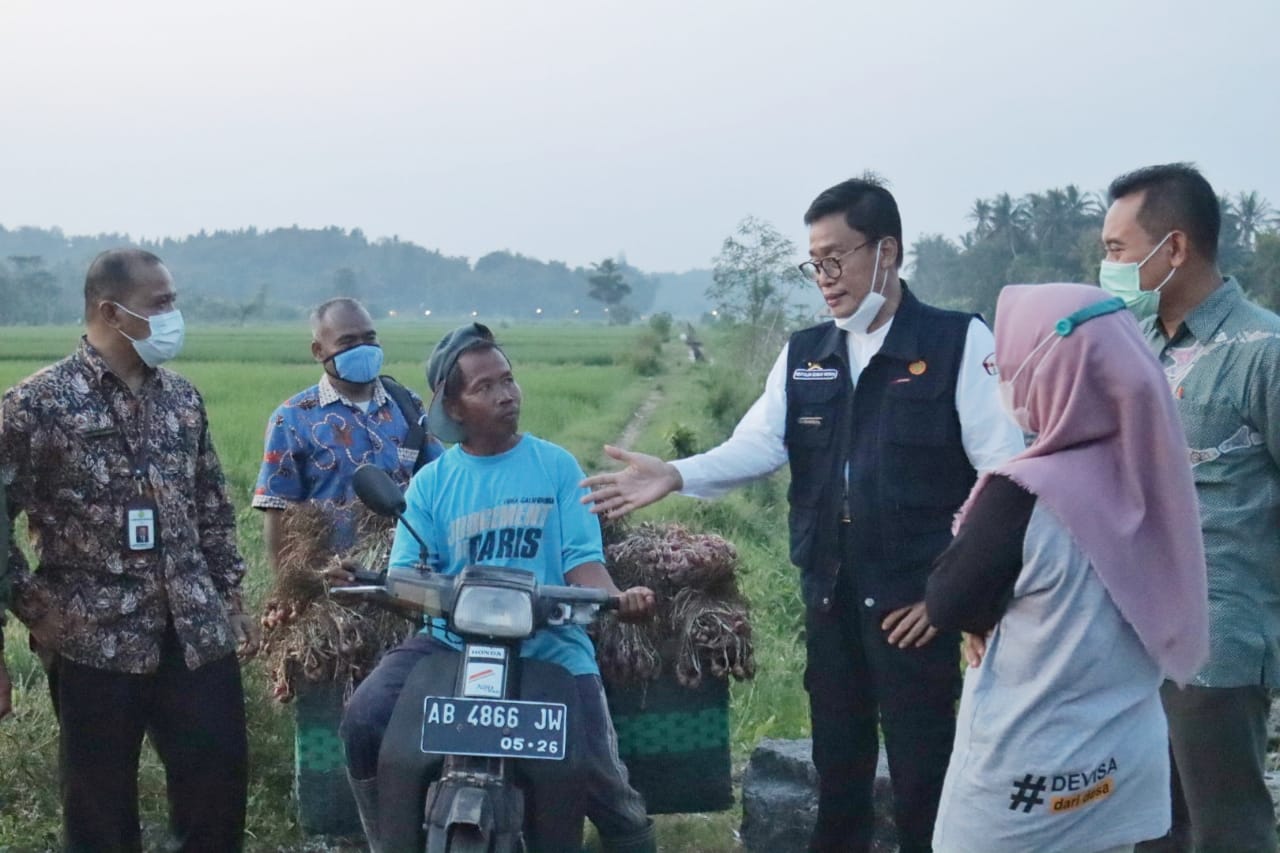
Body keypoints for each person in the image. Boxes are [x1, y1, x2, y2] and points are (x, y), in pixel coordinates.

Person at [581, 176, 1025, 853]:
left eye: (837, 257)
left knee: (925, 778)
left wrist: (951, 599)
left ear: (888, 252)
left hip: (914, 606)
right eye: (813, 262)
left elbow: (1004, 475)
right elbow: (759, 444)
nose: (825, 276)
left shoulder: (958, 343)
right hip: (831, 596)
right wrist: (676, 472)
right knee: (837, 770)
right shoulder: (807, 354)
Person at [340, 323, 658, 853]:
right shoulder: (430, 485)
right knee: (364, 717)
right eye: (485, 386)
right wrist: (377, 584)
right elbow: (409, 571)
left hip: (551, 644)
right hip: (450, 642)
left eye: (508, 380)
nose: (506, 394)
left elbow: (582, 560)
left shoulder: (555, 466)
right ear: (454, 405)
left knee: (599, 774)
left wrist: (616, 599)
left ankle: (633, 837)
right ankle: (384, 838)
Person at [924, 284, 1209, 852]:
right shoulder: (1155, 476)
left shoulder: (1023, 495)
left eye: (1006, 363)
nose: (1003, 378)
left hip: (1032, 775)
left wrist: (977, 616)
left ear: (1052, 370)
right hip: (1124, 763)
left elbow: (949, 601)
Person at [0, 248, 257, 852]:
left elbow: (212, 504)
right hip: (93, 637)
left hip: (195, 632)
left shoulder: (183, 401)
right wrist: (32, 604)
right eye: (161, 304)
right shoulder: (35, 405)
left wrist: (232, 594)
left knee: (217, 791)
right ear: (112, 312)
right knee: (99, 812)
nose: (175, 316)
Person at [1098, 163, 1280, 853]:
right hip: (1131, 638)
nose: (1107, 265)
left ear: (1173, 248)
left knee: (1225, 830)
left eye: (1117, 249)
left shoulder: (1263, 351)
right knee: (1145, 829)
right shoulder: (1129, 341)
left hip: (1218, 646)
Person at [251, 296, 443, 837]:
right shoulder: (295, 418)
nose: (363, 350)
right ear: (319, 351)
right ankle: (341, 828)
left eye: (369, 338)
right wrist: (289, 589)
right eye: (347, 342)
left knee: (406, 706)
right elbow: (277, 515)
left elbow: (439, 485)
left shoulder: (406, 408)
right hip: (334, 596)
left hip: (407, 591)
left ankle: (419, 818)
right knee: (336, 708)